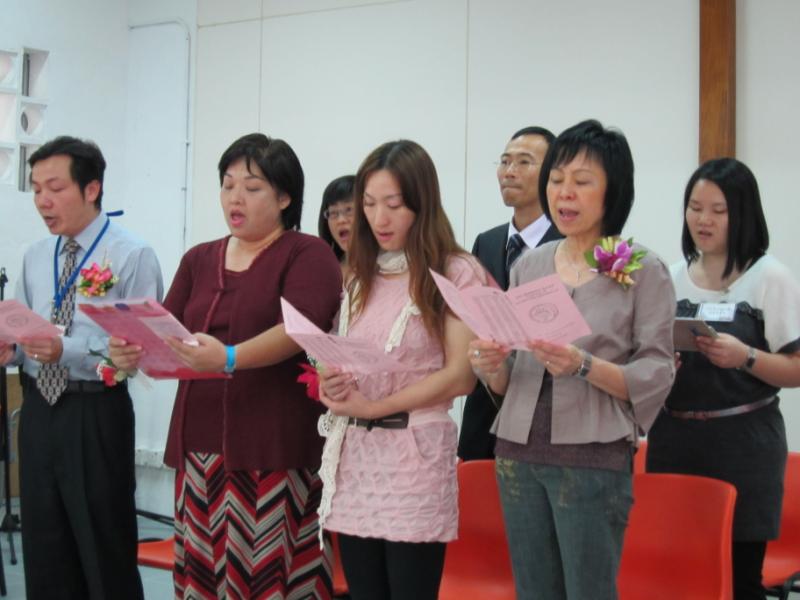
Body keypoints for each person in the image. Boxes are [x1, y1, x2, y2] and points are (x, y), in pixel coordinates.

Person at [109, 133, 342, 599]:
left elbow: (301, 327)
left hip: (272, 446)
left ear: (284, 197)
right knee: (201, 577)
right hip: (198, 443)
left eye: (252, 188)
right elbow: (165, 329)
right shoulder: (199, 258)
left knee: (267, 578)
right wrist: (131, 353)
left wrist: (230, 357)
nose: (235, 198)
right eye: (228, 184)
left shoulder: (307, 253)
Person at [469, 119, 676, 600]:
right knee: (533, 591)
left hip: (592, 456)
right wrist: (490, 364)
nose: (565, 193)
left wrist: (584, 365)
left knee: (588, 591)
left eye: (582, 181)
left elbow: (657, 371)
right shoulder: (530, 265)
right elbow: (510, 380)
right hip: (517, 454)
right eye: (557, 179)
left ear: (612, 192)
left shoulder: (641, 267)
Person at [315, 140, 488, 600]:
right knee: (364, 590)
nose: (379, 218)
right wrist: (330, 379)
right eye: (369, 204)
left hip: (415, 456)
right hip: (357, 456)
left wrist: (375, 406)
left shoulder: (456, 270)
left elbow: (461, 376)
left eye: (393, 205)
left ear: (422, 202)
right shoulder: (360, 274)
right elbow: (339, 354)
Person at [0, 136, 163, 599]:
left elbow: (144, 350)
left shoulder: (131, 254)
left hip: (96, 413)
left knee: (103, 549)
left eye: (55, 188)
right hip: (39, 412)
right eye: (36, 189)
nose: (42, 201)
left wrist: (66, 351)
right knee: (44, 548)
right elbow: (26, 334)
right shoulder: (36, 255)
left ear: (92, 189)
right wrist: (11, 351)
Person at [646, 158, 800, 600]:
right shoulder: (672, 276)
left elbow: (795, 368)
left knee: (739, 580)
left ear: (743, 214)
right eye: (695, 208)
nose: (703, 220)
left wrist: (745, 356)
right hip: (674, 439)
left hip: (743, 446)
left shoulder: (769, 277)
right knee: (676, 578)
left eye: (718, 210)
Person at [458, 125, 562, 461]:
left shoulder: (570, 246)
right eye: (504, 161)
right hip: (484, 419)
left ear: (553, 174)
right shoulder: (486, 242)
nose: (509, 171)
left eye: (523, 162)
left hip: (545, 419)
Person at [317, 174, 355, 277]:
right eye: (333, 212)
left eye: (349, 210)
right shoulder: (324, 271)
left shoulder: (388, 266)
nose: (341, 220)